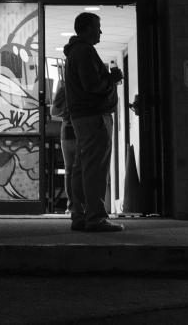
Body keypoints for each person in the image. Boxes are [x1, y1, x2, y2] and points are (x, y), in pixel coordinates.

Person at [63, 12, 125, 233]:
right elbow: (92, 85)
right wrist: (112, 79)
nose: (100, 31)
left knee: (81, 167)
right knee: (95, 168)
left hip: (80, 117)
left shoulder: (73, 53)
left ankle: (78, 215)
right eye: (97, 27)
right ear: (87, 28)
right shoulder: (86, 51)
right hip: (94, 116)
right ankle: (96, 218)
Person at [49, 75, 79, 222]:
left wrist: (65, 111)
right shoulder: (85, 86)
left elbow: (54, 111)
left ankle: (73, 206)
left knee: (70, 170)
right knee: (81, 170)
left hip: (68, 131)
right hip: (81, 131)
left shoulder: (64, 89)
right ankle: (80, 206)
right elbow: (54, 111)